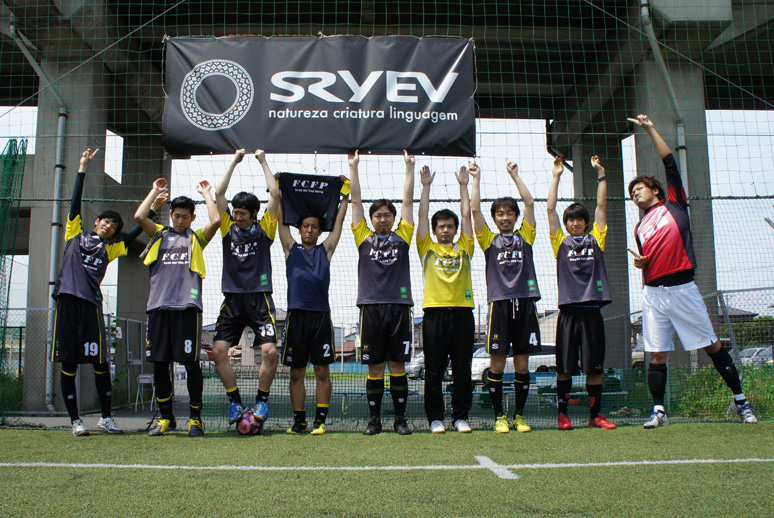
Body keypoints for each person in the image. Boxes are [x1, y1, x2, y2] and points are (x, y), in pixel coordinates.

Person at [628, 114, 757, 427]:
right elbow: (647, 261)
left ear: (656, 190)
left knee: (711, 345)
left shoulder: (674, 204)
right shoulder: (639, 227)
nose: (635, 194)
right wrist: (641, 263)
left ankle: (741, 401)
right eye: (632, 193)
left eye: (639, 188)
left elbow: (670, 164)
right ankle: (659, 411)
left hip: (683, 290)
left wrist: (650, 128)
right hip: (653, 294)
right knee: (657, 354)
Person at [52, 148, 165, 436]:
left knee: (100, 363)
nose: (109, 226)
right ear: (96, 222)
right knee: (69, 364)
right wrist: (82, 167)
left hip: (91, 307)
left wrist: (153, 204)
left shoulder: (111, 248)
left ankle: (105, 417)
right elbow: (75, 202)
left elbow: (135, 232)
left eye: (114, 225)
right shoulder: (74, 235)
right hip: (67, 305)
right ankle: (75, 421)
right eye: (106, 221)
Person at [134, 177, 221, 437]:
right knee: (160, 364)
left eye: (185, 217)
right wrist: (154, 192)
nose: (180, 220)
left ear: (192, 218)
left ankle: (195, 419)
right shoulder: (159, 234)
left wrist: (207, 194)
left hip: (187, 308)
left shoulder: (196, 239)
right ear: (171, 215)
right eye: (176, 216)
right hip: (159, 307)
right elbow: (139, 216)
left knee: (191, 364)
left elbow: (216, 221)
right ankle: (166, 419)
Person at [470, 159, 541, 433]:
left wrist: (515, 175)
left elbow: (530, 203)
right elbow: (474, 209)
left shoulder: (526, 237)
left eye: (510, 213)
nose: (505, 217)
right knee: (497, 365)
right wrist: (476, 178)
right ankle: (499, 416)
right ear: (495, 218)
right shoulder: (488, 240)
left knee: (522, 364)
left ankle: (519, 416)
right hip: (499, 305)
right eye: (500, 213)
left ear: (515, 216)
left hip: (525, 303)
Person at [547, 155, 616, 431]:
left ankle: (595, 415)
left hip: (592, 313)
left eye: (579, 220)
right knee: (564, 368)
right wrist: (556, 176)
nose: (575, 223)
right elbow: (550, 209)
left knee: (594, 369)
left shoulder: (596, 239)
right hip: (568, 313)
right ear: (566, 224)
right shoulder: (560, 243)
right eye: (571, 220)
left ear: (586, 223)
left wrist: (600, 174)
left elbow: (601, 205)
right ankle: (562, 415)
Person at [350, 149, 415, 435]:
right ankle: (374, 420)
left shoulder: (403, 237)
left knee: (398, 366)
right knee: (375, 368)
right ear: (371, 219)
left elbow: (408, 202)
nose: (382, 220)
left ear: (393, 218)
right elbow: (355, 202)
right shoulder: (363, 237)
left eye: (387, 215)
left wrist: (409, 168)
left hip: (399, 308)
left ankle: (400, 419)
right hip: (370, 309)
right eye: (377, 216)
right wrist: (354, 167)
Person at [212, 149, 279, 427]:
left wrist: (263, 161)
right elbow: (219, 194)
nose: (237, 217)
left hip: (259, 299)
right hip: (233, 299)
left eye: (242, 213)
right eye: (235, 212)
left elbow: (275, 195)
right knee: (218, 350)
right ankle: (235, 402)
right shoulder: (227, 228)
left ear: (254, 213)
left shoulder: (265, 229)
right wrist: (234, 161)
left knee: (270, 352)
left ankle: (262, 400)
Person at [277, 189, 349, 435]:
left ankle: (320, 421)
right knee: (296, 373)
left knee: (322, 371)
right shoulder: (290, 248)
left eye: (314, 227)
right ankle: (299, 421)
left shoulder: (325, 250)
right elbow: (280, 219)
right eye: (305, 226)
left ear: (320, 231)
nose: (309, 230)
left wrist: (345, 197)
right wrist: (279, 192)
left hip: (320, 317)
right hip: (296, 317)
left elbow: (339, 222)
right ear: (299, 229)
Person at [416, 164, 475, 433]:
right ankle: (435, 418)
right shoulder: (426, 247)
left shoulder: (465, 246)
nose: (446, 231)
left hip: (463, 313)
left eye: (450, 227)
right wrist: (426, 187)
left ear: (455, 230)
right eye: (441, 227)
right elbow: (421, 215)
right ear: (434, 230)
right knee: (434, 370)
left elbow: (467, 214)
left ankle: (460, 416)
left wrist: (464, 186)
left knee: (462, 370)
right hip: (434, 314)